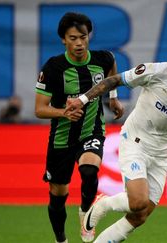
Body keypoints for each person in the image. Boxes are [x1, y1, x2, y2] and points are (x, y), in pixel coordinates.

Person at [65, 33, 167, 242]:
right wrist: (82, 99)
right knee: (137, 202)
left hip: (163, 153)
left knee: (140, 215)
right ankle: (103, 204)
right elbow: (114, 80)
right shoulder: (156, 72)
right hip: (136, 141)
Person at [34, 12, 124, 243]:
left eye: (83, 37)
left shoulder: (101, 60)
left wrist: (113, 97)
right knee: (57, 196)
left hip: (91, 130)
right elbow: (40, 109)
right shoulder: (53, 68)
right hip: (61, 138)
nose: (79, 43)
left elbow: (112, 66)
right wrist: (62, 112)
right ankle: (61, 239)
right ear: (63, 39)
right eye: (73, 38)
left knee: (89, 170)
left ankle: (86, 213)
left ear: (88, 36)